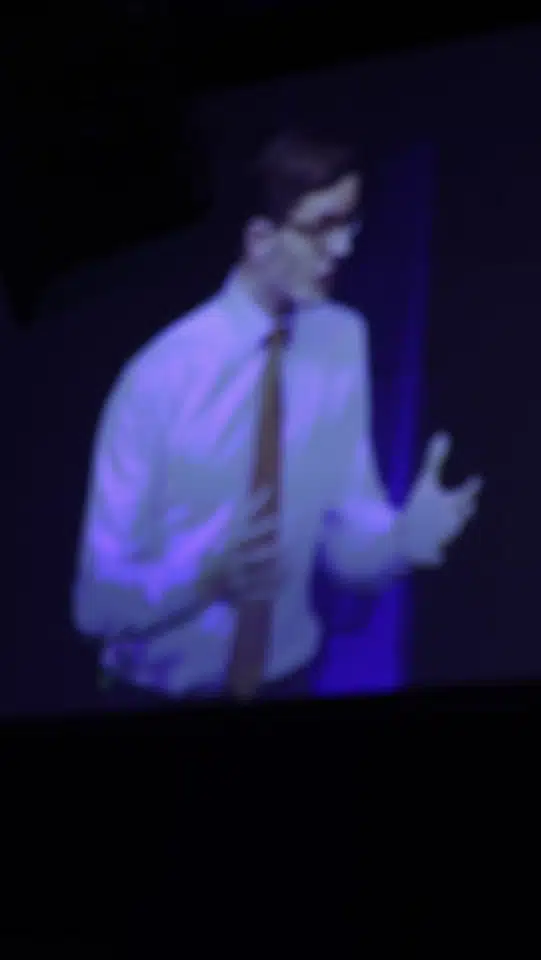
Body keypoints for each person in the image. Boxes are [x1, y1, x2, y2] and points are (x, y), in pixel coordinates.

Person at [73, 128, 482, 705]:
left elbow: (344, 545)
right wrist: (206, 579)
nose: (341, 249)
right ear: (260, 240)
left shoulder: (342, 339)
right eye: (321, 228)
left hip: (289, 681)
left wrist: (399, 542)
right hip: (157, 699)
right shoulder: (160, 376)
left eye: (349, 224)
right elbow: (96, 605)